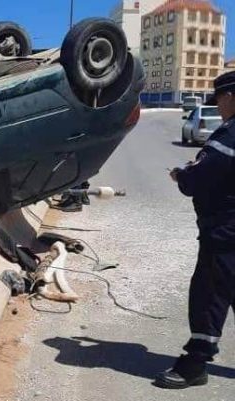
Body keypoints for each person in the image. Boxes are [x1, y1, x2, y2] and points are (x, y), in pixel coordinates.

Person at [157, 71, 235, 389]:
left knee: (208, 294)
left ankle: (195, 364)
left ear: (230, 97)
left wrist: (183, 174)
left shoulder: (229, 136)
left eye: (219, 101)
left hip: (225, 232)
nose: (219, 107)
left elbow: (199, 179)